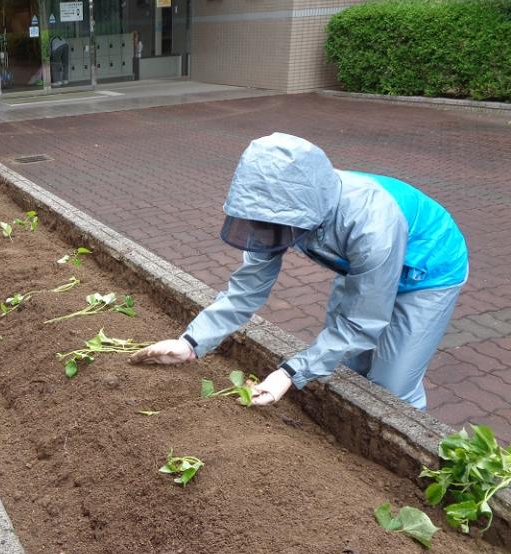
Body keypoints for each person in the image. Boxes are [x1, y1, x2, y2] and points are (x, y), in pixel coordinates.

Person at [130, 132, 469, 410]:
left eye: (270, 223)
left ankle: (417, 450)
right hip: (357, 268)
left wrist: (288, 374)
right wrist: (190, 342)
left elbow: (361, 322)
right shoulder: (282, 211)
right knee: (349, 364)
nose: (265, 231)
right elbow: (246, 289)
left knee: (392, 385)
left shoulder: (370, 225)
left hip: (428, 271)